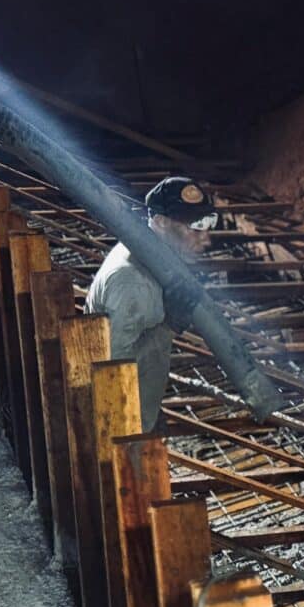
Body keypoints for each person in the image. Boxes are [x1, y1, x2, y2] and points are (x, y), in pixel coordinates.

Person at [85, 177, 216, 432]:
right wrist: (168, 323)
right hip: (117, 428)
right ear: (161, 223)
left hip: (139, 413)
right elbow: (110, 372)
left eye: (210, 222)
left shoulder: (155, 255)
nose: (207, 238)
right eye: (196, 226)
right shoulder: (133, 281)